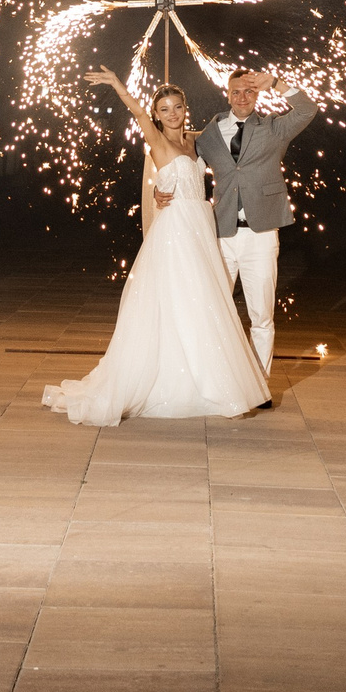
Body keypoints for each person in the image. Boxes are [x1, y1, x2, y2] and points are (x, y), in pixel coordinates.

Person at [43, 73, 270, 427]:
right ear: (157, 114)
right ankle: (189, 383)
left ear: (185, 109)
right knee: (179, 299)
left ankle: (211, 381)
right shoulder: (157, 140)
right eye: (164, 109)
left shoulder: (197, 142)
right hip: (176, 230)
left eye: (177, 107)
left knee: (204, 301)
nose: (172, 113)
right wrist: (118, 85)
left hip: (201, 227)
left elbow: (227, 137)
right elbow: (136, 113)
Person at [197, 67, 317, 378]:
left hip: (261, 235)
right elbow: (182, 161)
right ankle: (218, 377)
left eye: (249, 91)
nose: (242, 97)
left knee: (261, 315)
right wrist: (160, 189)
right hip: (222, 234)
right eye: (236, 91)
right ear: (227, 94)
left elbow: (308, 108)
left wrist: (277, 83)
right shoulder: (209, 133)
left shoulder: (273, 128)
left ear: (258, 95)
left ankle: (260, 382)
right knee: (214, 310)